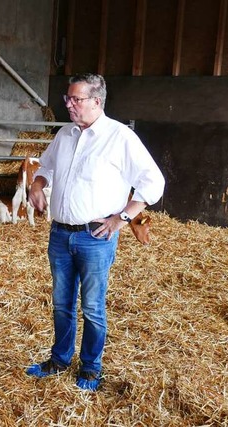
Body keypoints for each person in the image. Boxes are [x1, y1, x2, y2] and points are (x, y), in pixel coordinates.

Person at [25, 73, 165, 391]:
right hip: (60, 234)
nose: (70, 105)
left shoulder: (120, 138)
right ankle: (59, 359)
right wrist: (37, 183)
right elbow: (45, 166)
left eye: (76, 99)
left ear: (96, 102)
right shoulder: (65, 135)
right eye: (68, 99)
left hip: (95, 237)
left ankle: (90, 367)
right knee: (61, 303)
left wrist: (123, 218)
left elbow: (153, 182)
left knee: (92, 306)